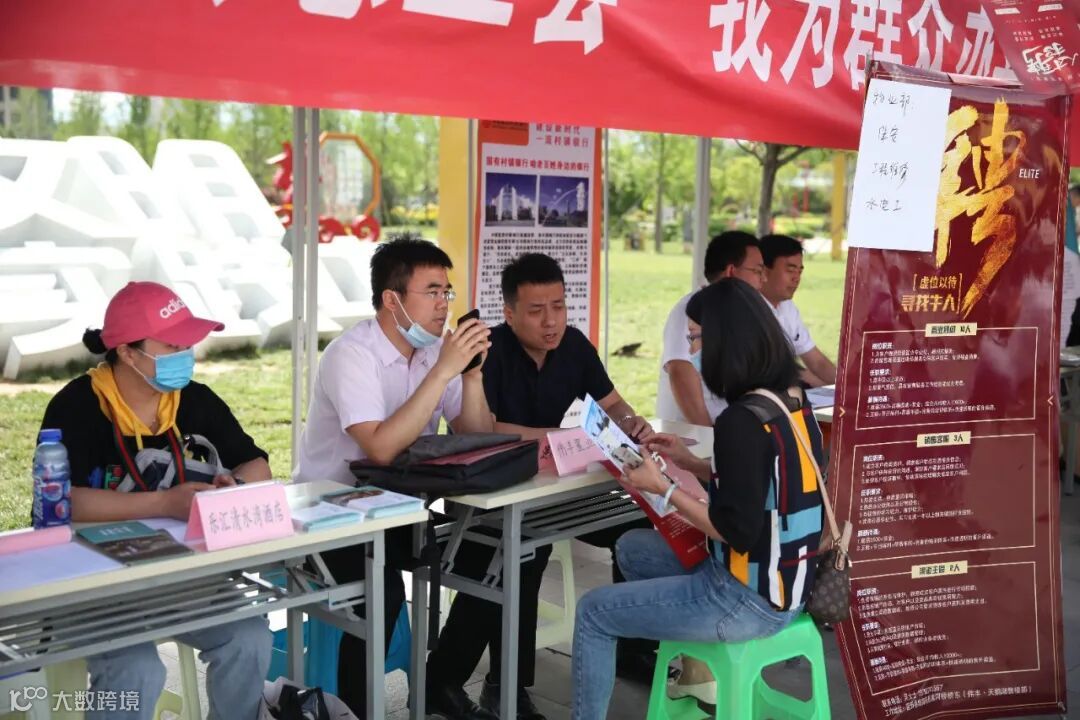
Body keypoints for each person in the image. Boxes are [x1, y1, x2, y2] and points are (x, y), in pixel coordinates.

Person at [295, 233, 538, 720]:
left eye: (447, 292)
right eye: (431, 292)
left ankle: (441, 680)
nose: (444, 304)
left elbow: (476, 433)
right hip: (334, 518)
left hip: (404, 510)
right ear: (392, 300)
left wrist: (470, 374)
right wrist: (442, 371)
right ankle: (356, 711)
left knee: (503, 554)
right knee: (381, 595)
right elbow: (381, 447)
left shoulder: (433, 354)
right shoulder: (351, 354)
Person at [570, 278, 826, 720]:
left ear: (726, 340)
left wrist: (663, 488)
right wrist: (690, 463)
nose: (690, 351)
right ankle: (694, 671)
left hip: (745, 600)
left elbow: (734, 529)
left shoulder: (739, 420)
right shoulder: (789, 400)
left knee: (594, 612)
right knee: (632, 548)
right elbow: (766, 483)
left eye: (695, 338)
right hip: (791, 586)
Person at [40, 281, 272, 720]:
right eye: (172, 345)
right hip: (92, 583)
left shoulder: (195, 400)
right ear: (128, 353)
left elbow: (257, 464)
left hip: (179, 575)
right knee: (138, 668)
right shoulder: (78, 406)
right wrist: (164, 503)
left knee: (250, 637)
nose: (186, 353)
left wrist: (233, 486)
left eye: (187, 343)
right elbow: (63, 503)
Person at [483, 253, 658, 686]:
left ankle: (634, 648)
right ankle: (507, 686)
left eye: (558, 306)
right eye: (536, 311)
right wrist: (557, 437)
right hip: (506, 494)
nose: (551, 321)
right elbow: (483, 429)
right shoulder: (489, 352)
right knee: (525, 555)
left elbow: (613, 404)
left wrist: (632, 422)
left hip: (564, 487)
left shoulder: (575, 345)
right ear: (509, 314)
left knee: (638, 526)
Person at [656, 231, 765, 426]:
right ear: (731, 271)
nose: (763, 279)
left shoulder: (744, 313)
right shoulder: (692, 310)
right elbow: (681, 373)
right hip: (690, 433)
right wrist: (710, 434)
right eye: (757, 271)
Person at [759, 234, 837, 387]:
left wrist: (848, 389)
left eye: (799, 271)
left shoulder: (787, 307)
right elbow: (781, 370)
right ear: (764, 272)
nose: (796, 278)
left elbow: (817, 362)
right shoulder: (748, 308)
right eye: (790, 270)